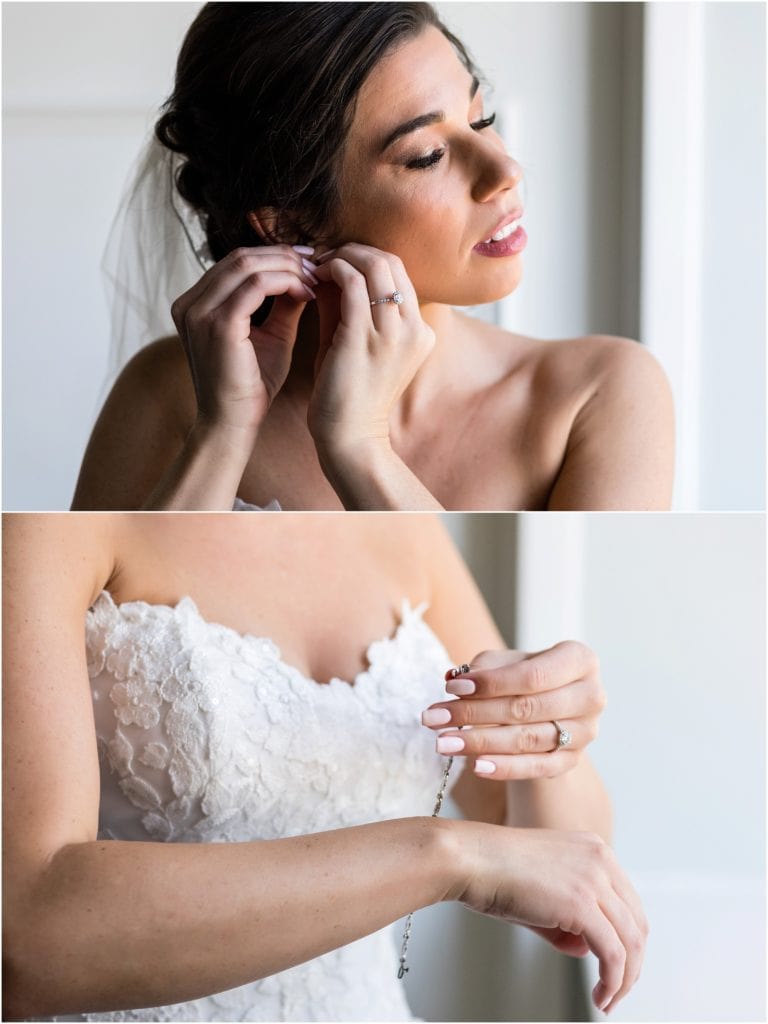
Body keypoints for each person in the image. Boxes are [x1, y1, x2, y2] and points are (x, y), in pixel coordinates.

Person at [3, 512, 647, 1021]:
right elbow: (24, 942)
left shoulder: (407, 530)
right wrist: (443, 856)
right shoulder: (54, 529)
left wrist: (543, 727)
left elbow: (547, 858)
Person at [71, 2, 674, 512]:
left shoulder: (600, 394)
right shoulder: (168, 396)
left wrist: (359, 446)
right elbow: (103, 625)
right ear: (290, 219)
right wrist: (222, 434)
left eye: (480, 117)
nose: (505, 170)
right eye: (426, 156)